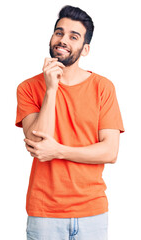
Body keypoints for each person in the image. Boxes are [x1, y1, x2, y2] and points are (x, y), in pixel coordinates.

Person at [15, 5, 124, 240]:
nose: (63, 40)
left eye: (73, 37)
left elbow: (110, 151)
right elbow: (37, 145)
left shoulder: (102, 88)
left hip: (92, 212)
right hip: (44, 213)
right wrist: (52, 88)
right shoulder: (28, 88)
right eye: (59, 32)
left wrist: (59, 151)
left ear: (85, 49)